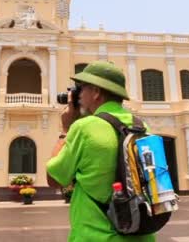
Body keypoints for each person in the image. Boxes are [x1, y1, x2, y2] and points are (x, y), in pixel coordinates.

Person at [46, 61, 155, 241]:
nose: (78, 94)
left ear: (96, 92)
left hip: (96, 236)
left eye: (81, 88)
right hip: (143, 234)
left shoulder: (84, 127)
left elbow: (54, 179)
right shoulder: (142, 126)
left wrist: (65, 131)